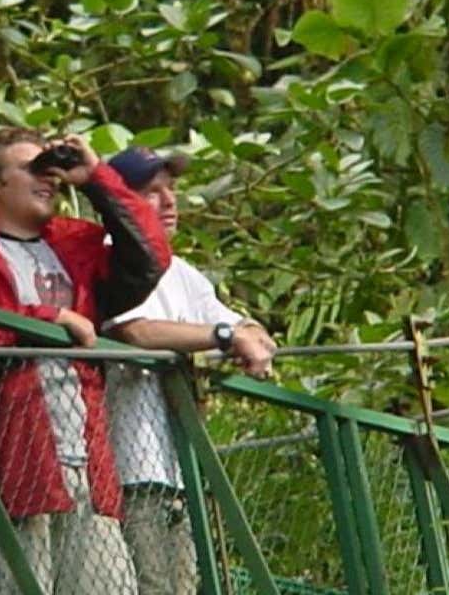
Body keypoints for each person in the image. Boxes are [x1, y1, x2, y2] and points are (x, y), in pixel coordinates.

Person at [0, 129, 170, 595]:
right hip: (18, 466)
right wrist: (50, 317)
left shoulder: (75, 244)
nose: (47, 179)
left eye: (50, 170)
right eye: (30, 168)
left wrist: (94, 178)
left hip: (91, 466)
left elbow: (149, 258)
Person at [100, 146, 278, 595]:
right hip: (131, 461)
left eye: (171, 190)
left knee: (184, 585)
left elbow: (232, 319)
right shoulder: (106, 254)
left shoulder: (183, 272)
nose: (169, 201)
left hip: (178, 468)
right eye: (151, 192)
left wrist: (251, 332)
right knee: (152, 585)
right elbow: (135, 332)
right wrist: (223, 337)